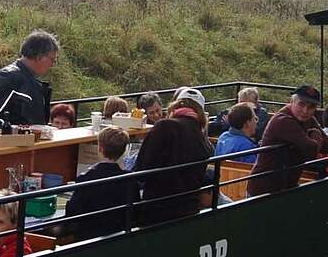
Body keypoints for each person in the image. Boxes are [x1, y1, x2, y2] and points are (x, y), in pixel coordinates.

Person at [134, 88, 214, 225]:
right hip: (189, 209)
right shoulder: (203, 140)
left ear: (175, 105)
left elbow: (141, 170)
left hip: (158, 210)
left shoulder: (164, 126)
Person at [249, 85, 328, 196]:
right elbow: (311, 151)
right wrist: (316, 135)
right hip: (264, 190)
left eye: (311, 107)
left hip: (286, 186)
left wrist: (313, 139)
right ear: (292, 102)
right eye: (301, 104)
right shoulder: (283, 120)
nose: (305, 110)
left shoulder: (308, 119)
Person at [66, 126, 138, 241]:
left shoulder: (86, 179)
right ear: (124, 151)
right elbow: (134, 210)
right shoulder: (130, 179)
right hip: (120, 237)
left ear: (100, 148)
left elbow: (73, 212)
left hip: (89, 238)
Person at [0, 30, 59, 126]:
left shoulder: (28, 79)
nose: (52, 65)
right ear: (39, 57)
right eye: (52, 60)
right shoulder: (9, 76)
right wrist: (14, 132)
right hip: (12, 141)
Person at [206, 87, 271, 139]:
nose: (241, 105)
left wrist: (228, 124)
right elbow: (216, 124)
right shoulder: (232, 111)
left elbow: (255, 133)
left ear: (255, 102)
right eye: (240, 102)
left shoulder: (261, 114)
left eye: (245, 103)